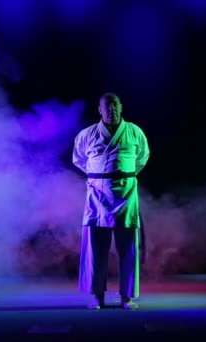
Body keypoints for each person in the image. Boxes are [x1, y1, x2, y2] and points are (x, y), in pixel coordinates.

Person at [72, 93, 150, 309]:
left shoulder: (134, 132)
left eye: (115, 105)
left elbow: (143, 157)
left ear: (121, 107)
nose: (111, 109)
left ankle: (127, 297)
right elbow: (78, 159)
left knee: (128, 248)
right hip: (97, 195)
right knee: (96, 249)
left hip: (126, 193)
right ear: (99, 109)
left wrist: (125, 173)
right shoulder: (87, 134)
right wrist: (97, 175)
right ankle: (97, 296)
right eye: (107, 106)